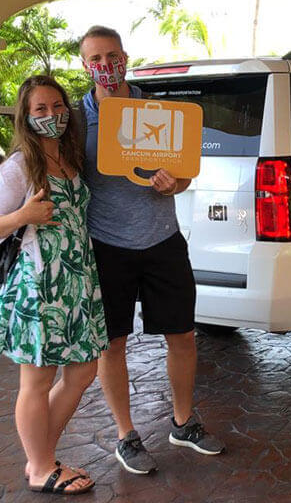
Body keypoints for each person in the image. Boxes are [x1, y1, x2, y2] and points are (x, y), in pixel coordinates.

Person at [77, 25, 224, 475]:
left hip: (163, 240)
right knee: (113, 344)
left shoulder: (156, 111)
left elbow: (184, 176)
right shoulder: (76, 120)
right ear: (85, 66)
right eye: (96, 59)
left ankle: (182, 422)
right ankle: (127, 435)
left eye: (112, 56)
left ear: (125, 56)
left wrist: (173, 183)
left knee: (181, 335)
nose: (106, 65)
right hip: (107, 245)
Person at [0, 75, 108, 495]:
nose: (53, 115)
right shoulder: (19, 166)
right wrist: (23, 216)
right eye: (41, 110)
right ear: (27, 118)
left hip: (77, 279)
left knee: (83, 371)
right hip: (41, 282)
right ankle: (41, 466)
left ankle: (40, 456)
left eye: (57, 106)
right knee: (37, 380)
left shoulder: (70, 158)